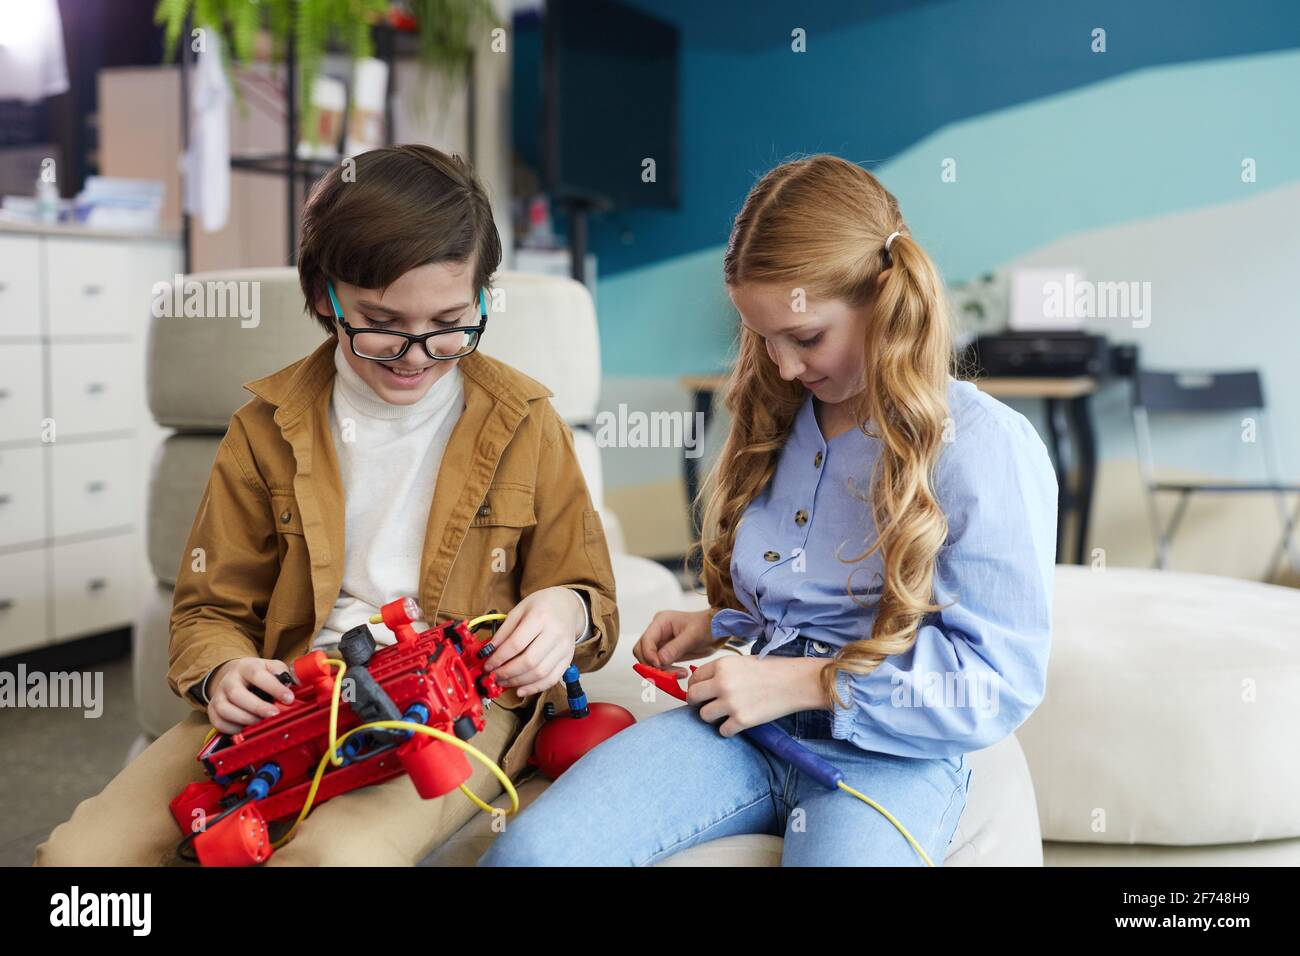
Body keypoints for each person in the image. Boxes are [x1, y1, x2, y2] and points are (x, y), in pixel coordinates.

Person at [35, 144, 618, 866]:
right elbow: (209, 610)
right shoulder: (263, 429)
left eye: (449, 322)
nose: (414, 355)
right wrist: (223, 672)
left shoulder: (525, 421)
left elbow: (590, 593)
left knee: (333, 860)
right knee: (78, 859)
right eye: (380, 321)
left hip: (450, 710)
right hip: (288, 700)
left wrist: (567, 611)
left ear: (482, 299)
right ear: (323, 297)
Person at [480, 154, 1057, 867]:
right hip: (743, 730)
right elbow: (799, 600)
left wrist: (807, 682)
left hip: (890, 757)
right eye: (764, 338)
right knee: (528, 857)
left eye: (807, 337)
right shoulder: (786, 416)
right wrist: (715, 625)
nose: (783, 367)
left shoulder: (985, 446)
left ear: (883, 296)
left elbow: (994, 684)